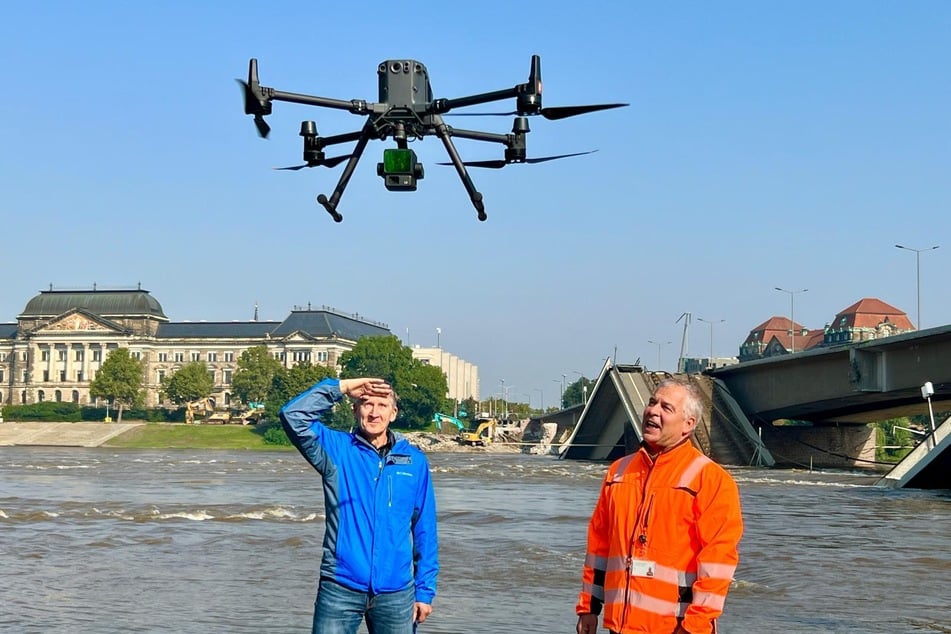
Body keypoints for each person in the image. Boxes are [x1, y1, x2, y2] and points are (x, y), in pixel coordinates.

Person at [576, 378, 743, 634]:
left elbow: (718, 563)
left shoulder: (711, 480)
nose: (653, 411)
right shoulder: (618, 473)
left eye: (666, 408)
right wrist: (589, 607)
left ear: (688, 425)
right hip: (619, 626)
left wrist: (695, 626)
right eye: (652, 402)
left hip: (678, 628)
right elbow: (599, 548)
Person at [280, 377, 438, 634]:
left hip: (397, 593)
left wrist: (425, 590)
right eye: (366, 404)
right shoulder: (336, 450)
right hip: (340, 587)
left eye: (382, 405)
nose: (374, 412)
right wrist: (340, 388)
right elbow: (292, 416)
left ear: (393, 413)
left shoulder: (414, 462)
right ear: (355, 410)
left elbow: (425, 529)